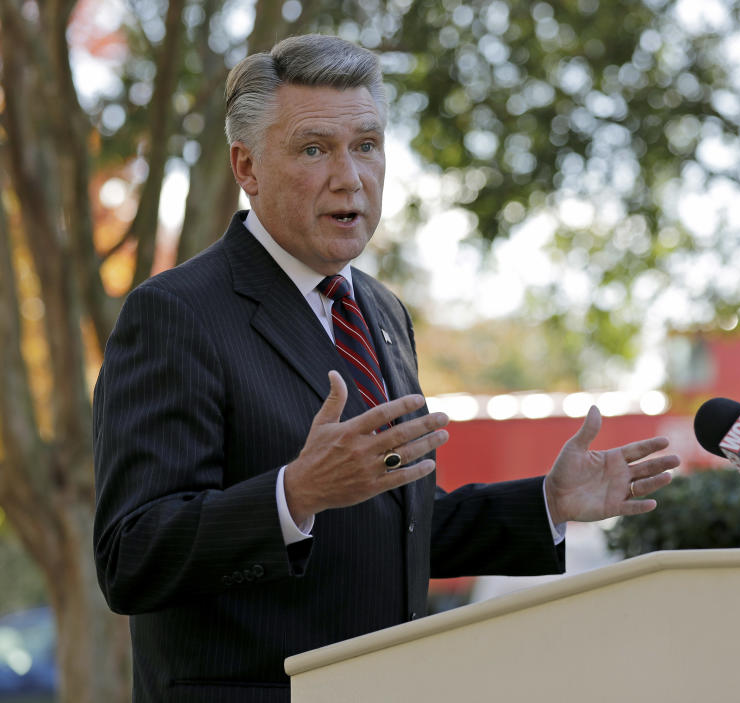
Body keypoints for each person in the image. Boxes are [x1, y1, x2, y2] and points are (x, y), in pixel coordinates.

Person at [92, 33, 678, 703]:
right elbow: (131, 555)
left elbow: (401, 529)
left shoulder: (380, 311)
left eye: (366, 145)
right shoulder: (175, 314)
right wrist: (294, 493)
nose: (350, 176)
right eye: (315, 149)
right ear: (246, 167)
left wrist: (546, 501)